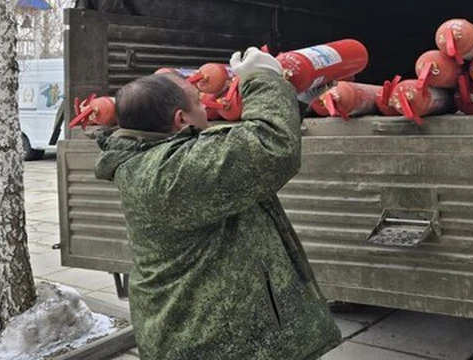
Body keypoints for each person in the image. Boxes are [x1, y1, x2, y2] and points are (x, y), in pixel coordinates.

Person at [94, 47, 341, 360]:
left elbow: (229, 144)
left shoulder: (155, 155)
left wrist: (293, 101)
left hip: (207, 331)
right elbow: (272, 146)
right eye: (198, 103)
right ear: (180, 119)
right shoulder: (169, 174)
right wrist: (262, 79)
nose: (206, 110)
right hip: (210, 340)